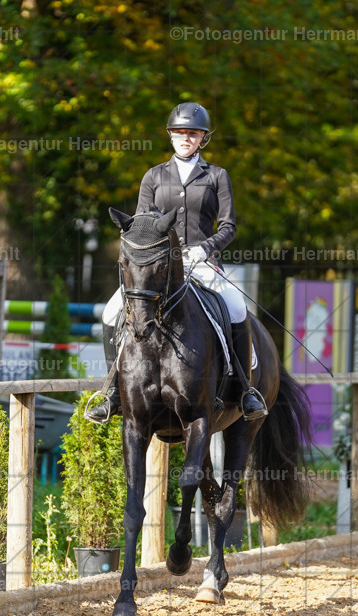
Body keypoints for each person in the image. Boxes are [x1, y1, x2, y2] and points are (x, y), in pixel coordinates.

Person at [85, 102, 268, 423]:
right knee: (111, 311)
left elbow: (229, 227)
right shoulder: (154, 176)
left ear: (203, 139)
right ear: (170, 136)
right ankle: (113, 392)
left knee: (237, 307)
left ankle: (244, 391)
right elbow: (141, 224)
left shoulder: (217, 176)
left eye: (193, 134)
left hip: (203, 262)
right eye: (180, 132)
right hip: (159, 266)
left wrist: (204, 249)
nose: (186, 138)